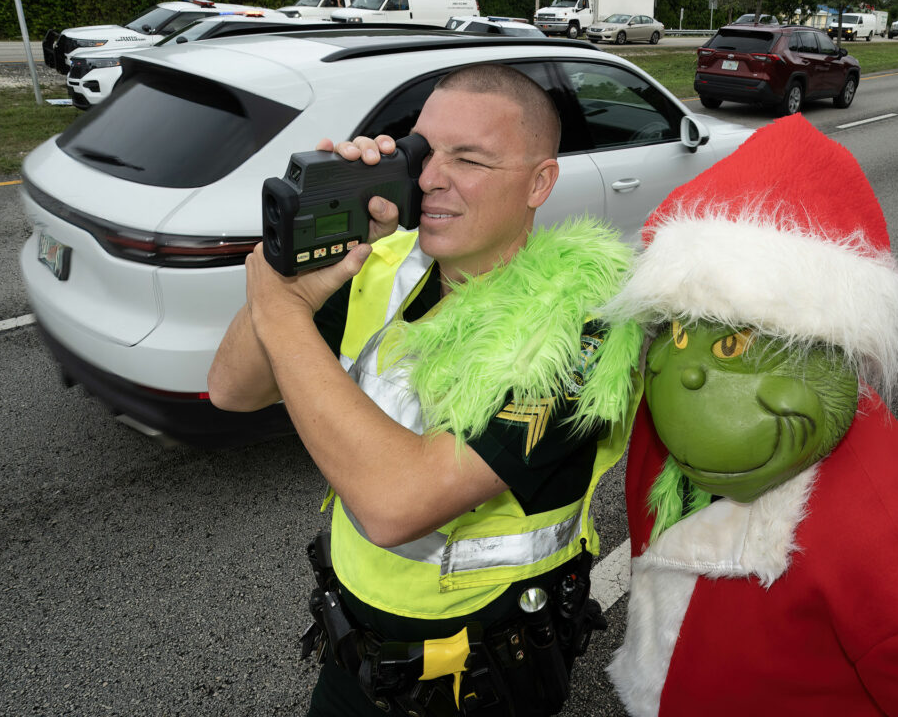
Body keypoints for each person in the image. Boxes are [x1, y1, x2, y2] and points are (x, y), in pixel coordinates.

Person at [207, 64, 642, 716]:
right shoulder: (383, 262)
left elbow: (396, 506)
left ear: (539, 182)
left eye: (469, 159)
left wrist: (282, 312)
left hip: (483, 678)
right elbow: (232, 390)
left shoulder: (583, 330)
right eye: (421, 151)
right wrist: (295, 265)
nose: (431, 178)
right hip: (353, 652)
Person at [601, 114, 898, 716]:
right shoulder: (660, 427)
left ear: (824, 351)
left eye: (733, 345)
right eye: (676, 334)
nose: (687, 374)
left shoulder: (875, 530)